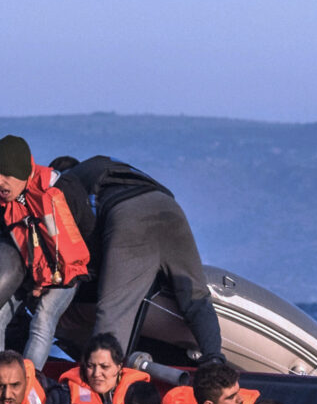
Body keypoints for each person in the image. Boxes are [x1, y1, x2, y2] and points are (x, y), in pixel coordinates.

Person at [48, 154, 223, 362]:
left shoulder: (66, 184)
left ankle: (104, 384)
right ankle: (214, 359)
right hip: (169, 207)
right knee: (196, 295)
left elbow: (82, 245)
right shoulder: (107, 165)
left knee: (115, 307)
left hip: (128, 215)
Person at [0, 135, 96, 373]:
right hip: (23, 271)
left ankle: (29, 385)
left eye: (7, 175)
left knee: (42, 319)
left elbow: (87, 230)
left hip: (65, 272)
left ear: (23, 174)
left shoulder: (62, 189)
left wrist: (60, 275)